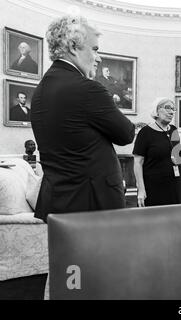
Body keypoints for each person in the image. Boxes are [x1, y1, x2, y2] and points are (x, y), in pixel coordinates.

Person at [30, 15, 135, 222]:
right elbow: (126, 134)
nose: (99, 57)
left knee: (66, 256)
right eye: (94, 49)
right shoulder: (87, 89)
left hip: (57, 203)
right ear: (73, 46)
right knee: (103, 256)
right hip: (93, 206)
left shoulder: (40, 91)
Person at [133, 97, 181, 207]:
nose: (171, 112)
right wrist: (141, 190)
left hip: (175, 185)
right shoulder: (145, 132)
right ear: (156, 110)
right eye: (167, 108)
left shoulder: (174, 130)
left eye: (173, 109)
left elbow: (176, 157)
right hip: (154, 186)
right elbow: (138, 163)